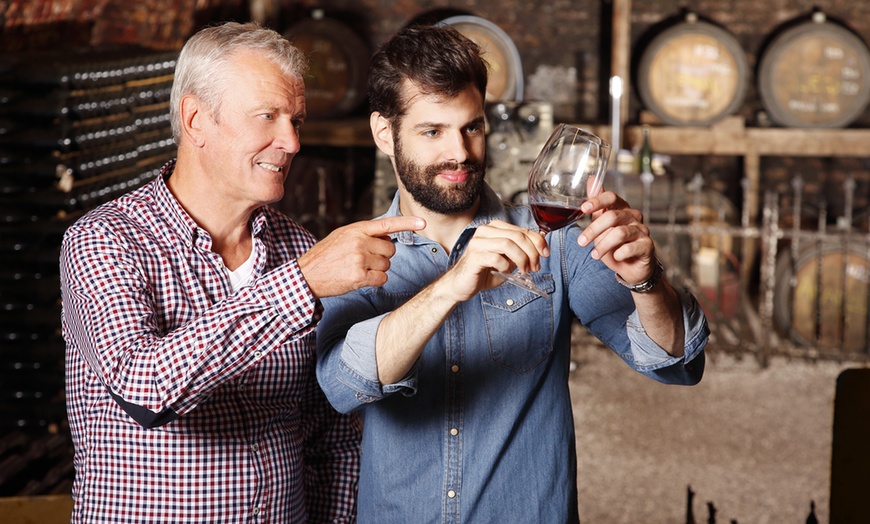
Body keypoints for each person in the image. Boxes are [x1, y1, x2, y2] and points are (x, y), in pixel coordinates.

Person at [315, 24, 710, 523]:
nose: (459, 152)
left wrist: (645, 280)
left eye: (472, 127)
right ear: (383, 133)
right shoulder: (357, 255)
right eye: (432, 131)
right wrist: (447, 289)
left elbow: (675, 363)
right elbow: (341, 388)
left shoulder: (558, 244)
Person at [60, 21, 424, 523]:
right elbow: (144, 390)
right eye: (267, 116)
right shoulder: (106, 240)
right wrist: (302, 283)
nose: (292, 142)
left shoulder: (297, 246)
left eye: (296, 119)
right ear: (195, 121)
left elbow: (331, 439)